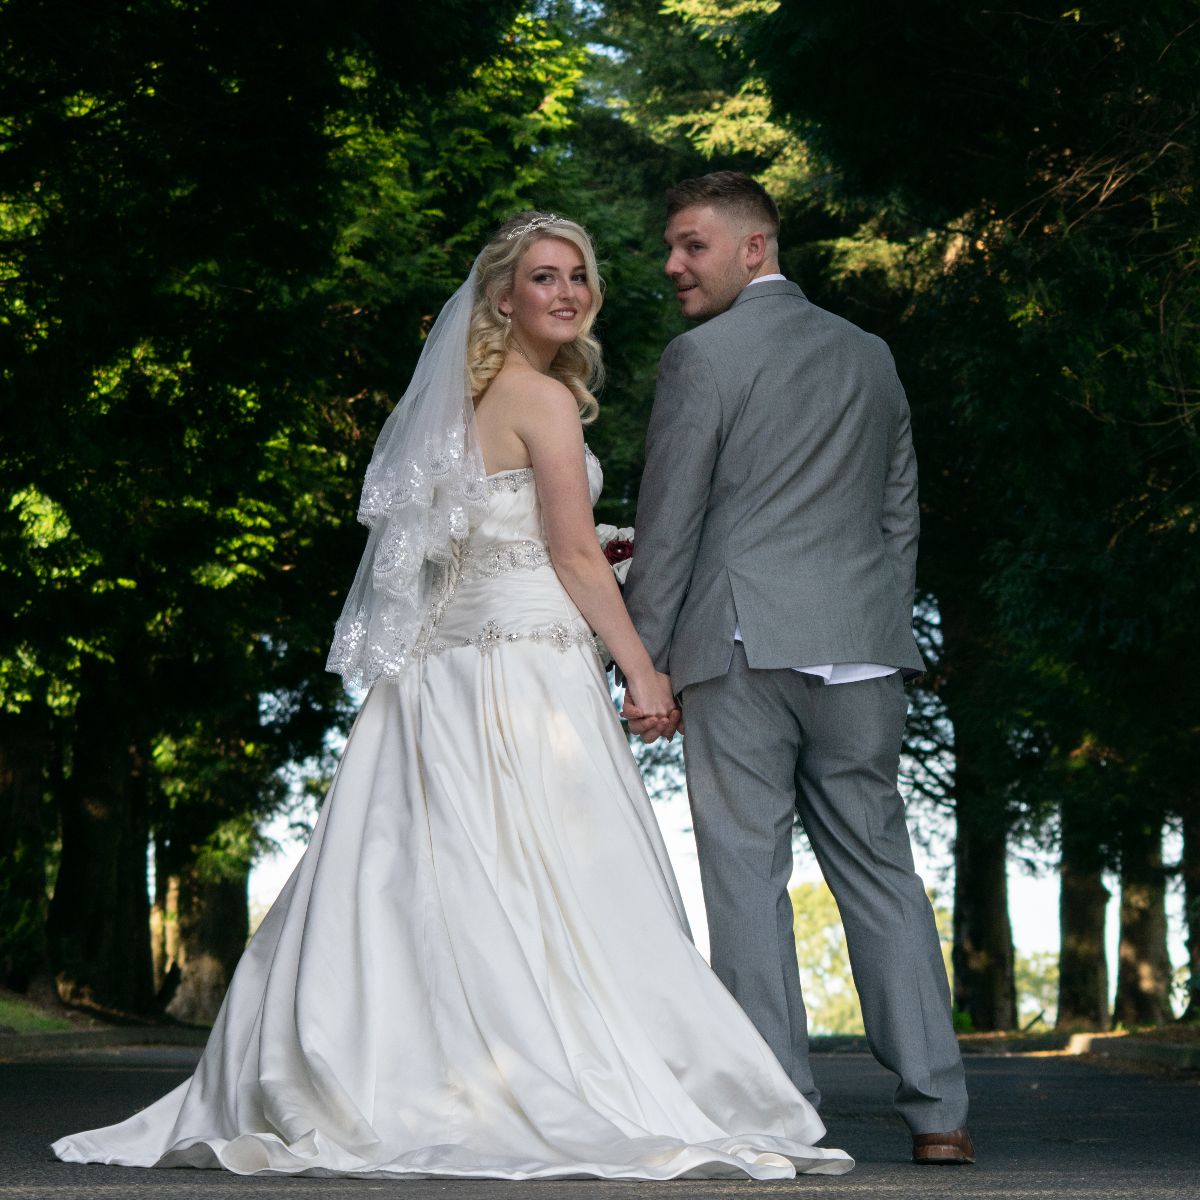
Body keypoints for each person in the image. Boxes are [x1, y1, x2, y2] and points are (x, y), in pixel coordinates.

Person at [51, 212, 852, 1181]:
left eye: (579, 276)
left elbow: (492, 542)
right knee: (548, 876)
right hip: (526, 672)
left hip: (441, 674)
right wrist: (642, 668)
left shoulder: (464, 404)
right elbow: (567, 555)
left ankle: (419, 1070)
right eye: (544, 277)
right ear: (501, 298)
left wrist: (593, 551)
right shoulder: (543, 399)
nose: (568, 292)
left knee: (425, 878)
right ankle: (535, 1073)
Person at [622, 172, 974, 1165]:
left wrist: (641, 660)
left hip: (741, 648)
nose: (673, 265)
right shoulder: (871, 354)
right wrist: (875, 617)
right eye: (671, 247)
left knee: (746, 879)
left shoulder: (701, 357)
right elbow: (900, 510)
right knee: (884, 876)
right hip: (863, 653)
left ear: (756, 247)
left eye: (692, 245)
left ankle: (782, 1113)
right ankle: (941, 1115)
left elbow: (670, 526)